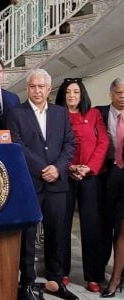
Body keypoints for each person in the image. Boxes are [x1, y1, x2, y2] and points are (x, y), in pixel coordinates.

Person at [6, 69, 77, 300]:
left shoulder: (60, 113)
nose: (37, 91)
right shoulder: (16, 113)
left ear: (49, 89)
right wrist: (42, 168)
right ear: (27, 88)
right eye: (32, 86)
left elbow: (69, 144)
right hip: (29, 184)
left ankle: (55, 281)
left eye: (41, 87)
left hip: (57, 184)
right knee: (27, 237)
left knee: (57, 234)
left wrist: (57, 168)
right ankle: (26, 284)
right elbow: (17, 145)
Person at [54, 78, 109, 293]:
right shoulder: (56, 115)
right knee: (62, 225)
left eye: (76, 92)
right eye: (68, 92)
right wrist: (68, 167)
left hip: (90, 176)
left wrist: (89, 167)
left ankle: (93, 276)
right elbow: (54, 144)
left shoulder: (94, 114)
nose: (71, 96)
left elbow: (103, 142)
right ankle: (61, 272)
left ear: (82, 94)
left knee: (91, 226)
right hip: (65, 174)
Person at [95, 78, 124, 298]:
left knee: (122, 229)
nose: (123, 96)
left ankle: (117, 278)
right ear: (111, 94)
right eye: (119, 93)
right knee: (105, 225)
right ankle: (100, 270)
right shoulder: (99, 113)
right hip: (108, 175)